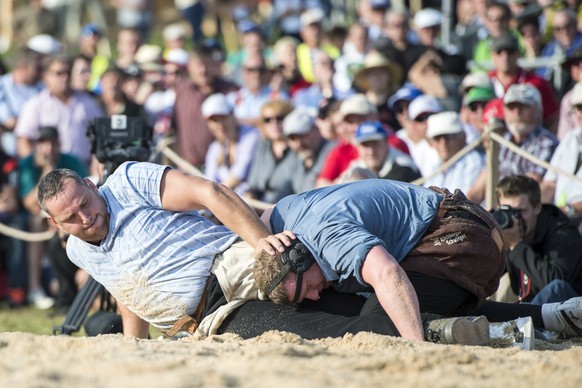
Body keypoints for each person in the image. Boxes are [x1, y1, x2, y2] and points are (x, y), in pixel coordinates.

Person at [254, 178, 582, 340]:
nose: (314, 294)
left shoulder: (331, 239)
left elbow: (388, 274)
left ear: (300, 257)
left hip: (462, 238)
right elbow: (264, 215)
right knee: (404, 304)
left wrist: (415, 347)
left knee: (379, 321)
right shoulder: (280, 219)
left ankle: (503, 335)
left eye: (307, 286)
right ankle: (547, 315)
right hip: (452, 228)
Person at [19, 126, 89, 309]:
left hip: (67, 217)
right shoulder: (27, 163)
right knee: (36, 222)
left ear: (59, 144)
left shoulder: (72, 161)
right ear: (36, 145)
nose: (47, 148)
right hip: (43, 220)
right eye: (43, 143)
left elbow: (85, 196)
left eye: (51, 143)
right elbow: (29, 203)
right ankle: (35, 287)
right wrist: (47, 170)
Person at [495, 175, 582, 304]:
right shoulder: (508, 229)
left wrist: (516, 246)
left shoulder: (564, 234)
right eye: (507, 211)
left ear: (537, 207)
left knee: (556, 288)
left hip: (569, 312)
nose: (514, 218)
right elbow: (484, 275)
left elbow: (555, 285)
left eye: (520, 211)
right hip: (530, 307)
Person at [14, 54, 104, 165]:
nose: (65, 77)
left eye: (68, 73)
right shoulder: (35, 105)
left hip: (84, 170)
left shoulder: (87, 102)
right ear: (46, 76)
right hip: (51, 171)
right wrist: (35, 168)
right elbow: (24, 142)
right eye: (59, 73)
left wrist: (97, 162)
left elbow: (102, 135)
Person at [202, 93, 260, 196]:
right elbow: (209, 179)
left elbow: (239, 174)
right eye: (214, 121)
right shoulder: (214, 148)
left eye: (223, 118)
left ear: (233, 115)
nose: (220, 125)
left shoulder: (252, 136)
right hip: (224, 201)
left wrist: (213, 195)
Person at [541, 82, 582, 216]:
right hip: (561, 216)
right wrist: (537, 209)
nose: (580, 113)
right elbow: (549, 184)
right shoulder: (570, 138)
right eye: (578, 107)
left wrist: (570, 210)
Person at [245, 100, 296, 203]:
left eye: (280, 118)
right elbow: (253, 186)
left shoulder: (299, 148)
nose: (274, 123)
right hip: (260, 208)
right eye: (268, 120)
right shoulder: (262, 147)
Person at [424, 112, 484, 194]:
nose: (443, 144)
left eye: (448, 137)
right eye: (437, 138)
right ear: (431, 142)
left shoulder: (474, 161)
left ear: (463, 137)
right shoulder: (434, 165)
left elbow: (466, 201)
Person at [341, 120, 419, 183]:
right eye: (365, 145)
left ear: (386, 142)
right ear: (357, 147)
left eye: (375, 144)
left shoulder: (405, 168)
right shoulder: (353, 170)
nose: (371, 151)